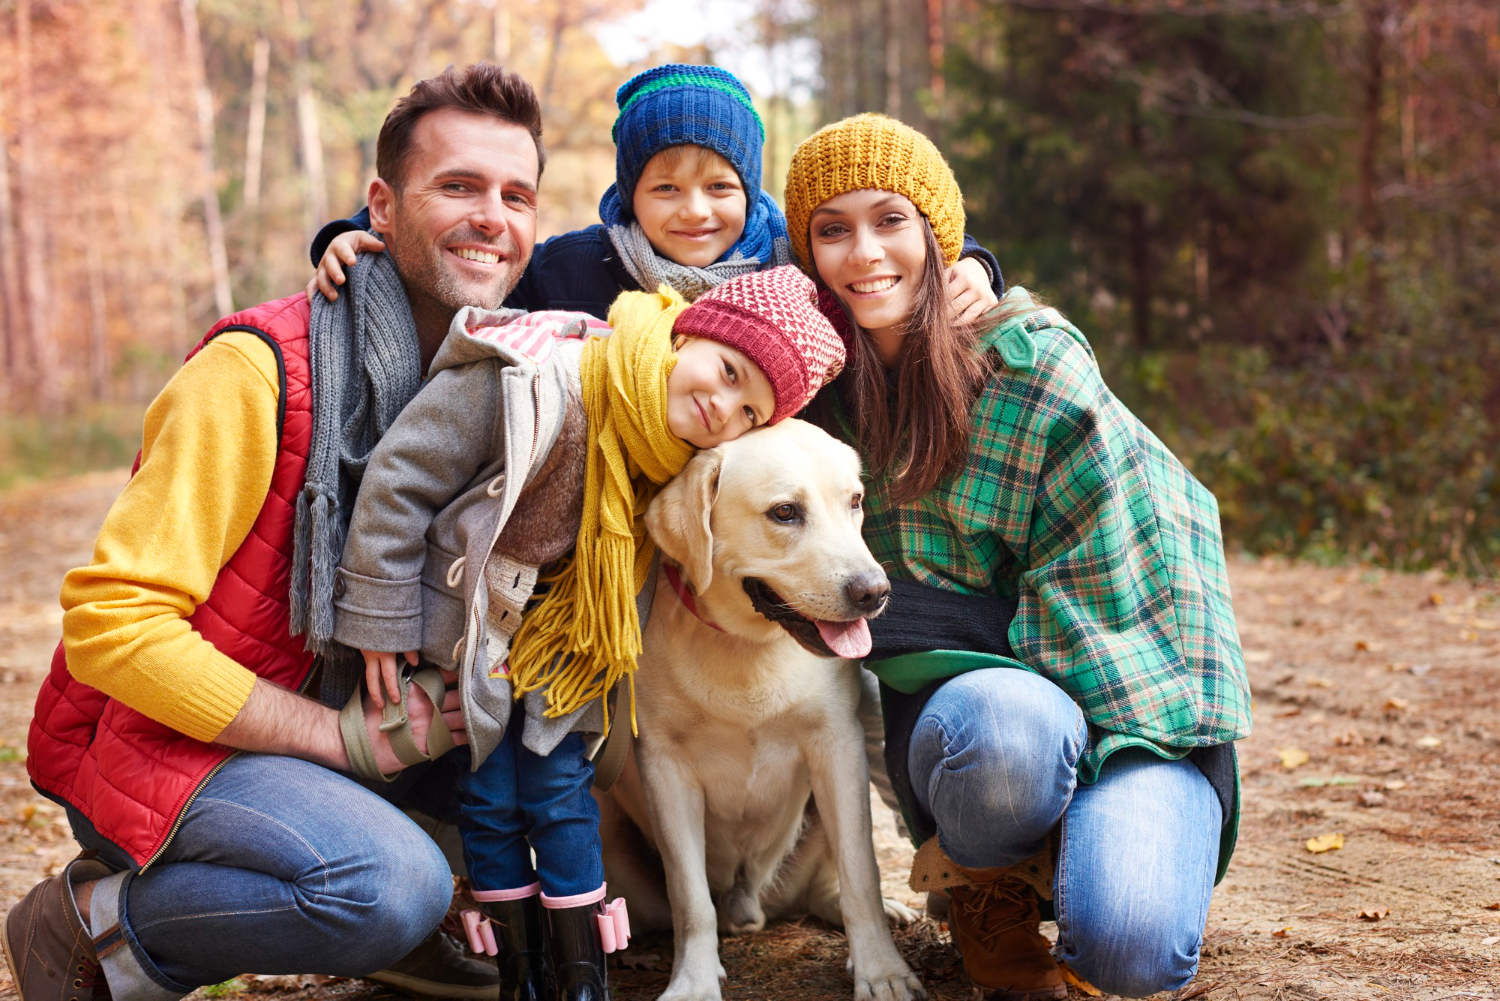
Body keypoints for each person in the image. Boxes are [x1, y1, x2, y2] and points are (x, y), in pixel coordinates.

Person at [5, 64, 559, 1001]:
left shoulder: (508, 378)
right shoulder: (257, 371)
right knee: (390, 887)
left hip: (363, 737)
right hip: (172, 741)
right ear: (380, 208)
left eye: (516, 195)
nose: (492, 217)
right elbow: (113, 627)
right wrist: (339, 739)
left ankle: (388, 883)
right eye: (457, 186)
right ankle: (98, 930)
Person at [782, 113, 1253, 1001]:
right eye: (831, 230)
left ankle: (1091, 839)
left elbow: (1117, 605)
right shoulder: (816, 396)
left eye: (891, 220)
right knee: (1006, 734)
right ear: (807, 254)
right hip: (1000, 715)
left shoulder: (1034, 369)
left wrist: (914, 616)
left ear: (936, 234)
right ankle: (988, 880)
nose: (863, 252)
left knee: (1131, 951)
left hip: (1137, 702)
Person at [331, 266, 845, 1001]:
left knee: (559, 791)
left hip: (571, 650)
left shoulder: (673, 459)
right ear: (691, 330)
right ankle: (517, 971)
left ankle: (581, 972)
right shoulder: (530, 375)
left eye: (747, 410)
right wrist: (380, 620)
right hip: (468, 635)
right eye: (727, 370)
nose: (721, 403)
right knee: (488, 795)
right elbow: (400, 478)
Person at [307, 63, 1005, 322]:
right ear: (629, 195)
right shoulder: (576, 266)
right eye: (664, 186)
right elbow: (468, 268)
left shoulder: (790, 257)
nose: (695, 210)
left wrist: (972, 260)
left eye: (720, 186)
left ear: (750, 188)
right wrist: (346, 234)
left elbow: (880, 251)